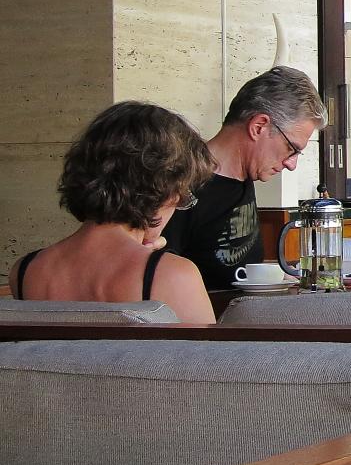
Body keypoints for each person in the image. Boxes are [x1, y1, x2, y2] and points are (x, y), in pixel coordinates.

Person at [8, 101, 217, 322]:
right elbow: (208, 347)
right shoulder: (172, 275)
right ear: (166, 189)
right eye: (182, 194)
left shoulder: (24, 271)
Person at [162, 65, 326, 289]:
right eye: (291, 149)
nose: (291, 164)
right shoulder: (180, 184)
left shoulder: (246, 173)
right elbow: (158, 284)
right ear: (259, 127)